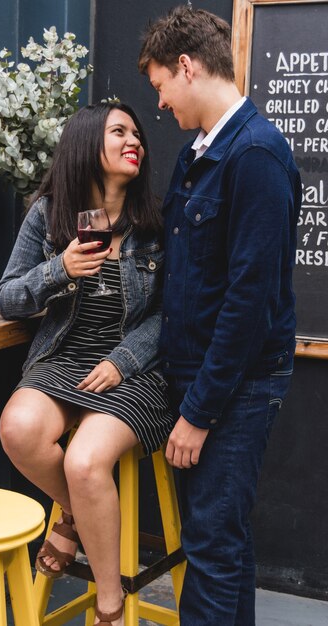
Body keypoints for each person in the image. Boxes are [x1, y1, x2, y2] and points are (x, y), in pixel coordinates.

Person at [138, 6, 301, 625]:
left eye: (159, 87)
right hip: (200, 377)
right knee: (221, 542)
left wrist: (199, 413)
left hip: (235, 387)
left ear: (186, 65)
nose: (158, 104)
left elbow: (249, 300)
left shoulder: (255, 155)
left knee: (209, 544)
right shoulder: (198, 154)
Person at [0, 101, 174, 626]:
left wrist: (124, 360)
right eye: (119, 131)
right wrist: (60, 268)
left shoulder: (155, 224)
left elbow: (171, 314)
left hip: (133, 370)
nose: (134, 140)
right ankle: (74, 513)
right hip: (63, 357)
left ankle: (110, 607)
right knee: (19, 428)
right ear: (86, 143)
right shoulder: (48, 214)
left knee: (84, 461)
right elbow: (8, 297)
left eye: (137, 134)